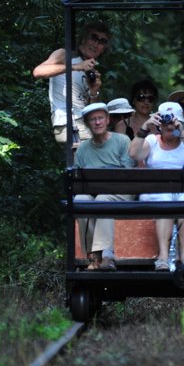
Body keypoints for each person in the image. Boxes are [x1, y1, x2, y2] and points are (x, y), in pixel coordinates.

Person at [129, 102, 184, 273]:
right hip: (157, 193)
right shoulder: (151, 141)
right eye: (165, 122)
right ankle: (163, 257)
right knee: (164, 200)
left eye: (173, 122)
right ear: (158, 123)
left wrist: (182, 133)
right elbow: (134, 154)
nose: (169, 126)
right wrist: (145, 127)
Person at [73, 103, 136, 271]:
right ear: (87, 124)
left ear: (108, 120)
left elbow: (128, 174)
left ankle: (104, 255)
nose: (97, 122)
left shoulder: (122, 140)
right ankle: (91, 256)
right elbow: (77, 181)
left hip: (121, 193)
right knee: (80, 200)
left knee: (103, 199)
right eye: (92, 119)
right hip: (92, 193)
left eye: (100, 118)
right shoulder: (83, 149)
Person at [33, 22, 110, 145]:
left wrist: (94, 91)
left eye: (102, 42)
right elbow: (38, 72)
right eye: (93, 38)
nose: (96, 44)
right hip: (69, 123)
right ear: (84, 38)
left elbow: (93, 109)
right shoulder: (65, 55)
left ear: (103, 49)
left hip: (86, 125)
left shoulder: (92, 71)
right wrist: (76, 67)